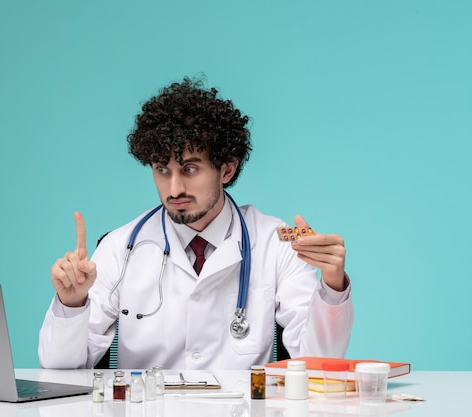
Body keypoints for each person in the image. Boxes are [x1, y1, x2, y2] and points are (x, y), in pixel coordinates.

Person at [38, 77, 353, 370]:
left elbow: (320, 363)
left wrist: (332, 287)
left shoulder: (274, 243)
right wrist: (72, 303)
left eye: (189, 169)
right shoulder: (120, 247)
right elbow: (60, 371)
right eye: (162, 169)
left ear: (227, 169)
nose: (174, 189)